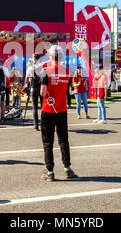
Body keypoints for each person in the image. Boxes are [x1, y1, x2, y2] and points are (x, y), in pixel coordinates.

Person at [39, 45, 77, 181]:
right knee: (63, 139)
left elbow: (43, 93)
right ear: (61, 56)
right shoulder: (67, 71)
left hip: (48, 108)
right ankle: (67, 168)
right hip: (61, 108)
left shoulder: (45, 71)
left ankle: (50, 171)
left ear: (49, 55)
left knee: (48, 141)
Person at [25, 54, 44, 131]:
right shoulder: (42, 66)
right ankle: (43, 124)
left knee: (34, 107)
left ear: (33, 59)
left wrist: (26, 86)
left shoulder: (30, 67)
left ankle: (36, 125)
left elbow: (26, 79)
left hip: (33, 87)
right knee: (43, 107)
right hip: (41, 87)